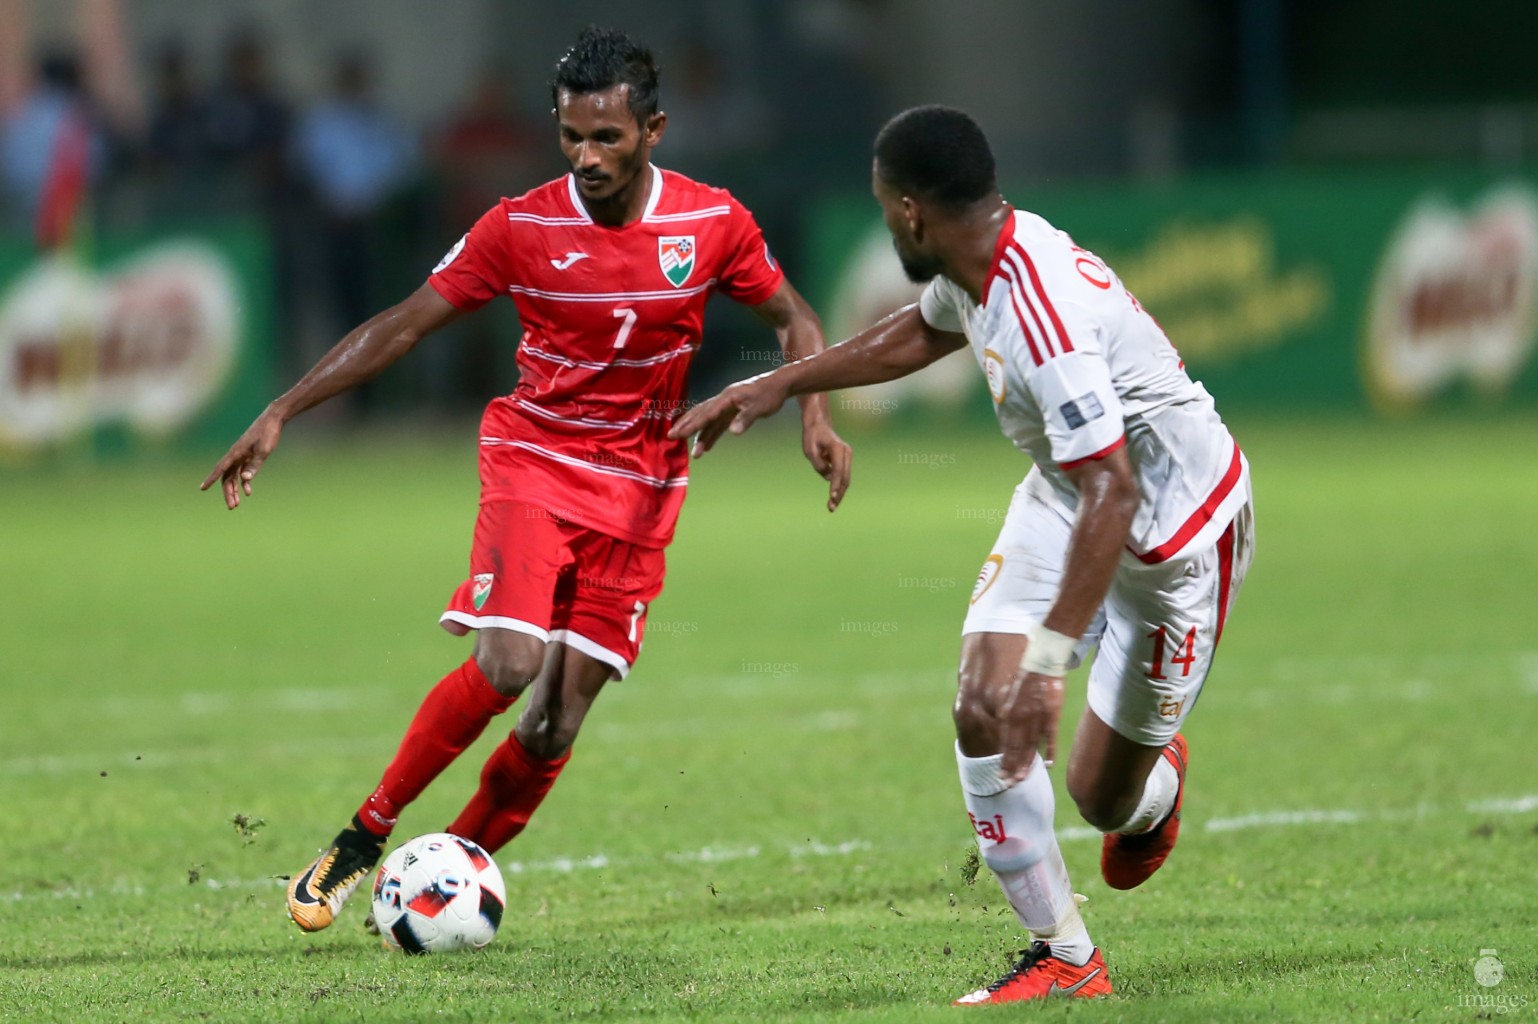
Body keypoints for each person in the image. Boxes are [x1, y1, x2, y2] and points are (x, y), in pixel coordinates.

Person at [202, 27, 851, 935]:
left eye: (607, 139)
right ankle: (362, 839)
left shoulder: (712, 223)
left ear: (653, 129)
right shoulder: (521, 224)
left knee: (553, 725)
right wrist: (284, 407)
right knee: (507, 662)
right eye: (571, 137)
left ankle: (444, 879)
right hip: (536, 459)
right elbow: (402, 324)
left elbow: (797, 320)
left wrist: (815, 416)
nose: (586, 157)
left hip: (643, 490)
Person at [672, 105, 1254, 1005]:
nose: (882, 220)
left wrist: (1053, 662)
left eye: (880, 206)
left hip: (1176, 541)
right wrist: (781, 382)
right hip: (1070, 495)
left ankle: (1155, 788)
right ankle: (1066, 956)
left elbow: (1120, 492)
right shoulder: (977, 261)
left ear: (909, 211)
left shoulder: (1041, 313)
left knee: (1102, 796)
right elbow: (923, 330)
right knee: (981, 705)